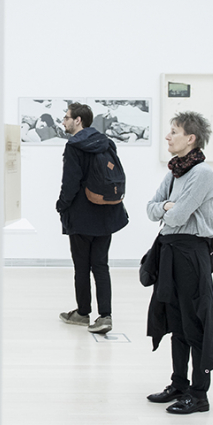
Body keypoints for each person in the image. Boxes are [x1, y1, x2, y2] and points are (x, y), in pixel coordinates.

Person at [145, 111, 213, 415]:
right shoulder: (175, 172)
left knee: (195, 324)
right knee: (176, 322)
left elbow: (178, 217)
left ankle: (199, 395)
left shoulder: (202, 174)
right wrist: (166, 206)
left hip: (191, 253)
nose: (168, 136)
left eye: (174, 132)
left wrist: (166, 208)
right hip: (171, 251)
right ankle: (179, 384)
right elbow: (150, 209)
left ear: (191, 139)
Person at [56, 102, 129, 334]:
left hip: (81, 216)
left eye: (67, 117)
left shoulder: (74, 146)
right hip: (106, 213)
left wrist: (61, 205)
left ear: (78, 120)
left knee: (81, 266)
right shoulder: (106, 142)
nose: (64, 121)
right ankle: (105, 316)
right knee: (100, 265)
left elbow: (70, 183)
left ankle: (82, 313)